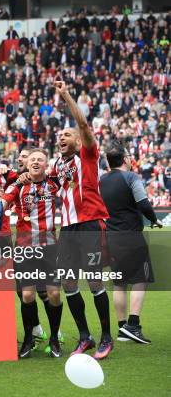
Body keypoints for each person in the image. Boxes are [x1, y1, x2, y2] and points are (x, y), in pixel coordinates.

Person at [49, 80, 113, 360]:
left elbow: (85, 127)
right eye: (59, 136)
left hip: (90, 224)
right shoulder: (57, 165)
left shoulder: (87, 155)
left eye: (67, 135)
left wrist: (66, 96)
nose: (61, 138)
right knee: (68, 283)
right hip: (69, 229)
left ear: (77, 140)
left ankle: (107, 337)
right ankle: (85, 336)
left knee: (95, 281)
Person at [0, 149, 63, 358]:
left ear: (46, 164)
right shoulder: (19, 185)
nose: (35, 162)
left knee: (54, 294)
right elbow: (4, 200)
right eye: (32, 159)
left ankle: (54, 338)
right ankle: (28, 338)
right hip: (25, 248)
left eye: (40, 159)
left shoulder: (54, 183)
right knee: (27, 295)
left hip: (49, 247)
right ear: (26, 163)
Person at [100, 141, 162, 344]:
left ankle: (121, 328)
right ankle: (133, 326)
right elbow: (143, 203)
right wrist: (154, 220)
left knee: (119, 283)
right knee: (140, 279)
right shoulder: (131, 177)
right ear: (125, 159)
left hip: (111, 236)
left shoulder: (101, 180)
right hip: (131, 236)